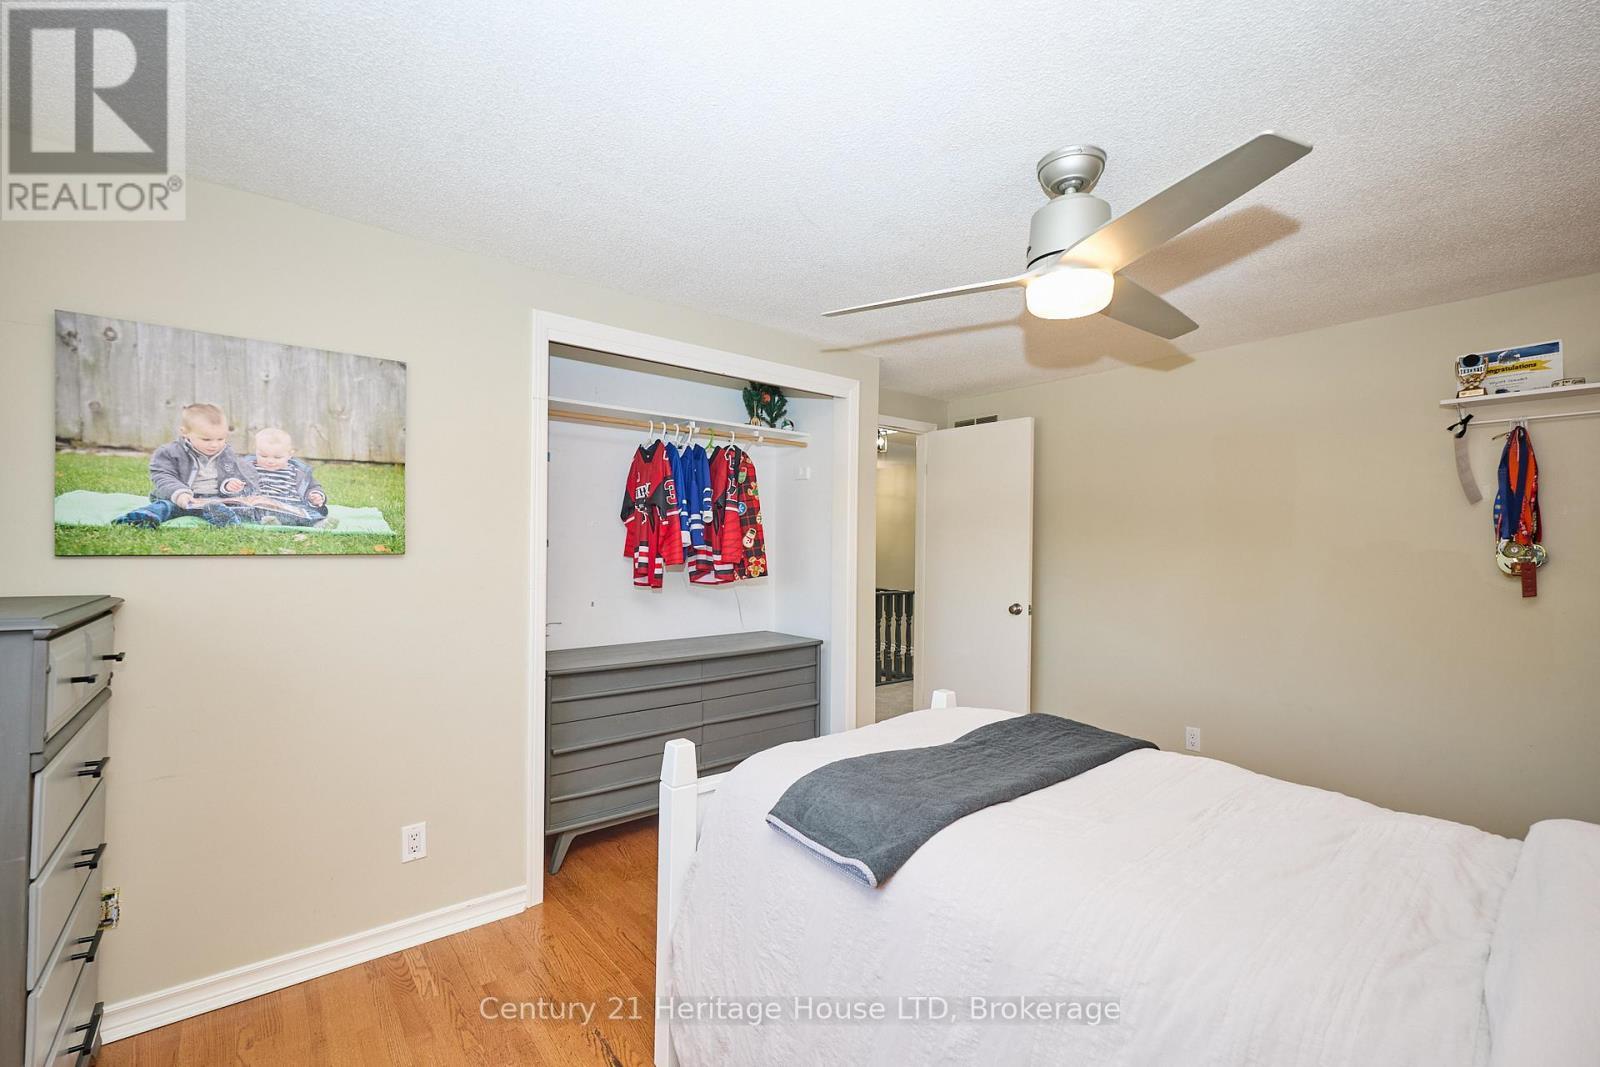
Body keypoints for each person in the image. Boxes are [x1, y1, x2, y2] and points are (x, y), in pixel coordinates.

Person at [113, 403, 253, 527]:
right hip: (180, 497)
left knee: (228, 506)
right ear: (185, 433)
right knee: (165, 506)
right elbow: (163, 476)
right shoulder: (169, 453)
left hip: (214, 499)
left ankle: (222, 516)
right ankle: (143, 517)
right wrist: (179, 493)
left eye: (220, 438)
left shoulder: (227, 453)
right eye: (206, 439)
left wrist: (230, 484)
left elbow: (235, 473)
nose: (214, 444)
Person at [239, 428, 334, 527]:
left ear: (289, 454)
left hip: (291, 506)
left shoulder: (297, 472)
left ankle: (319, 523)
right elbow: (235, 483)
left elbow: (312, 486)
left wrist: (315, 495)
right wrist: (236, 485)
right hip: (262, 505)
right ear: (256, 452)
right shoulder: (248, 469)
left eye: (277, 457)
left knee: (307, 513)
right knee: (250, 510)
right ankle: (271, 521)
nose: (270, 461)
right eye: (263, 456)